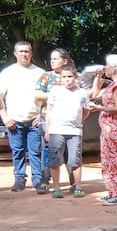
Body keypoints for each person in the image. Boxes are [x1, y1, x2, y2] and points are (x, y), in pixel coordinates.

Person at [0, 41, 47, 193]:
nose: (24, 54)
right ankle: (19, 179)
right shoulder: (7, 73)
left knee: (35, 151)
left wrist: (42, 114)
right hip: (14, 120)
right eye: (21, 51)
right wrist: (4, 116)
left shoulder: (40, 73)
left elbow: (48, 96)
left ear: (31, 54)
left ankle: (37, 180)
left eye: (27, 51)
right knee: (17, 151)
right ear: (15, 53)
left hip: (34, 120)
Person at [89, 54, 117, 206]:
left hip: (116, 128)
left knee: (116, 161)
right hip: (110, 128)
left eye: (106, 66)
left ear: (113, 68)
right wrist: (98, 77)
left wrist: (98, 108)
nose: (104, 67)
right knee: (109, 160)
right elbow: (94, 94)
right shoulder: (113, 85)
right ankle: (113, 191)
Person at [44, 65, 90, 198]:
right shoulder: (55, 91)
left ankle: (78, 187)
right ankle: (56, 188)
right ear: (60, 78)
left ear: (75, 77)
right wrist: (48, 129)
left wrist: (78, 121)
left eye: (70, 76)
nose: (67, 80)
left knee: (75, 160)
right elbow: (49, 111)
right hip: (56, 130)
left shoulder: (82, 93)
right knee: (55, 160)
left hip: (74, 131)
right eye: (64, 77)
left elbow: (86, 111)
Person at [36, 48, 77, 188]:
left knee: (70, 152)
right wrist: (58, 96)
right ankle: (45, 181)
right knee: (48, 150)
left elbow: (84, 94)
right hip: (49, 119)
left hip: (69, 121)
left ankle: (74, 181)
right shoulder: (46, 76)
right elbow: (37, 94)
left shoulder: (74, 76)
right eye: (51, 59)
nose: (52, 61)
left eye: (56, 59)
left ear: (64, 61)